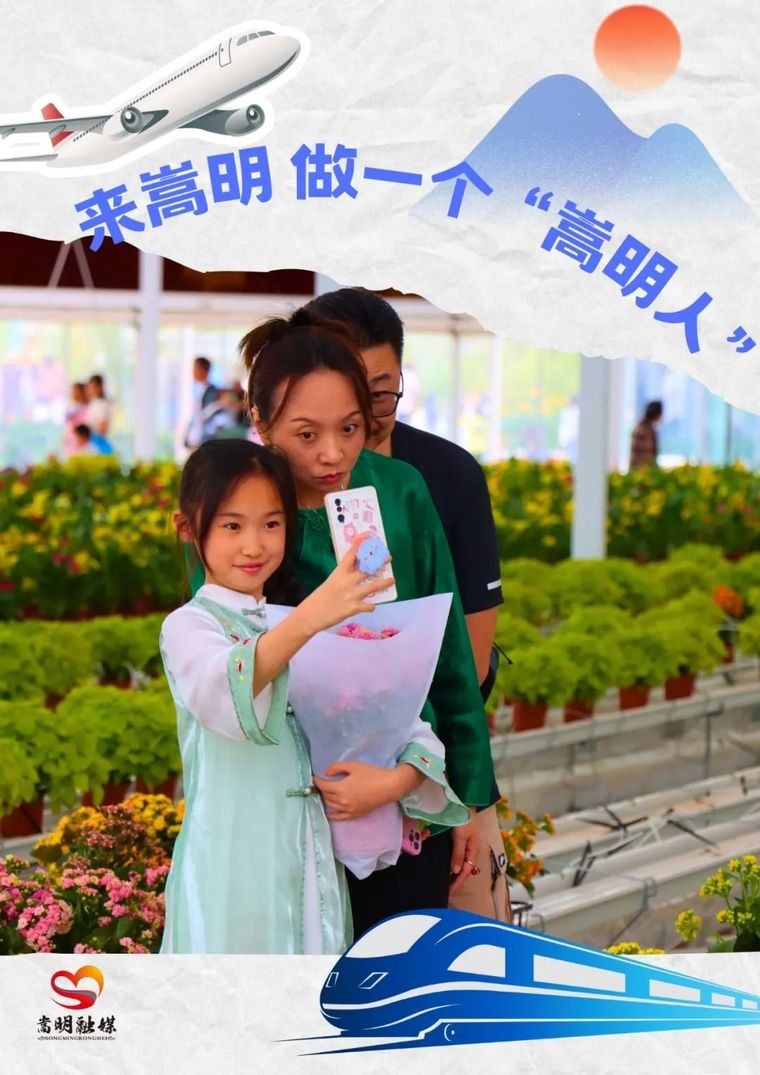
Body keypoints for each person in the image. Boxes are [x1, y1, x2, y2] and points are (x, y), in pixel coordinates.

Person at [231, 311, 494, 938]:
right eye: (306, 434)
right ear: (260, 422)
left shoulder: (400, 491)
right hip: (287, 810)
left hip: (401, 797)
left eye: (349, 428)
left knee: (399, 964)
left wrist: (466, 799)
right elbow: (226, 666)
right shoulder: (235, 506)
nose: (333, 453)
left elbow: (450, 658)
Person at [304, 287, 510, 922]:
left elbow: (467, 663)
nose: (367, 415)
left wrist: (438, 787)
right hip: (308, 788)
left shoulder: (438, 478)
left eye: (382, 392)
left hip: (428, 767)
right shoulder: (263, 489)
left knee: (460, 932)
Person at [160, 439, 395, 952]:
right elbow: (227, 690)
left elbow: (384, 720)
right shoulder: (189, 626)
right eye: (232, 525)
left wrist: (398, 777)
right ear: (187, 528)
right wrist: (314, 616)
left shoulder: (295, 624)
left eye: (271, 524)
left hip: (310, 859)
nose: (254, 545)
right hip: (230, 866)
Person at [185, 357, 224, 448]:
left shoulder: (212, 391)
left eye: (195, 368)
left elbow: (208, 415)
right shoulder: (197, 389)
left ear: (203, 370)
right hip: (195, 437)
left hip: (205, 438)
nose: (193, 372)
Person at [630, 400, 663, 469]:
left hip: (643, 471)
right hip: (642, 472)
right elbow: (644, 458)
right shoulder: (643, 431)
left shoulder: (648, 429)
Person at [63, 382, 88, 457]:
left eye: (75, 391)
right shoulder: (73, 408)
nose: (73, 394)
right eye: (72, 391)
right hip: (71, 442)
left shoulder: (87, 408)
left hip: (81, 442)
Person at [84, 374, 112, 438]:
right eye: (90, 387)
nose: (91, 389)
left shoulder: (102, 404)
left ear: (101, 387)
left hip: (98, 439)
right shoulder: (94, 402)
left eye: (94, 386)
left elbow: (103, 428)